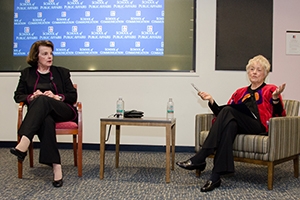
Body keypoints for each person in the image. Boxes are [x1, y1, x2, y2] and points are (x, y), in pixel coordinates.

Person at [176, 55, 286, 192]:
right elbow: (222, 114)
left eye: (258, 70)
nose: (254, 72)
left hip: (259, 126)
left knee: (229, 111)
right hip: (240, 126)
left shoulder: (270, 89)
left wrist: (275, 98)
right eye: (252, 69)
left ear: (265, 73)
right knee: (229, 125)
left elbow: (279, 114)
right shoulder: (240, 92)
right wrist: (211, 100)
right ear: (248, 72)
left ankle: (201, 156)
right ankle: (215, 177)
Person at [10, 40, 77, 187]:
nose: (49, 57)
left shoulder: (62, 72)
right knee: (45, 119)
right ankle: (56, 166)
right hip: (42, 114)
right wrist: (31, 97)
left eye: (51, 53)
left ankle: (24, 142)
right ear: (36, 56)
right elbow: (18, 96)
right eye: (45, 54)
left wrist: (56, 97)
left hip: (62, 110)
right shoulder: (27, 74)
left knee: (43, 100)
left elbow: (73, 96)